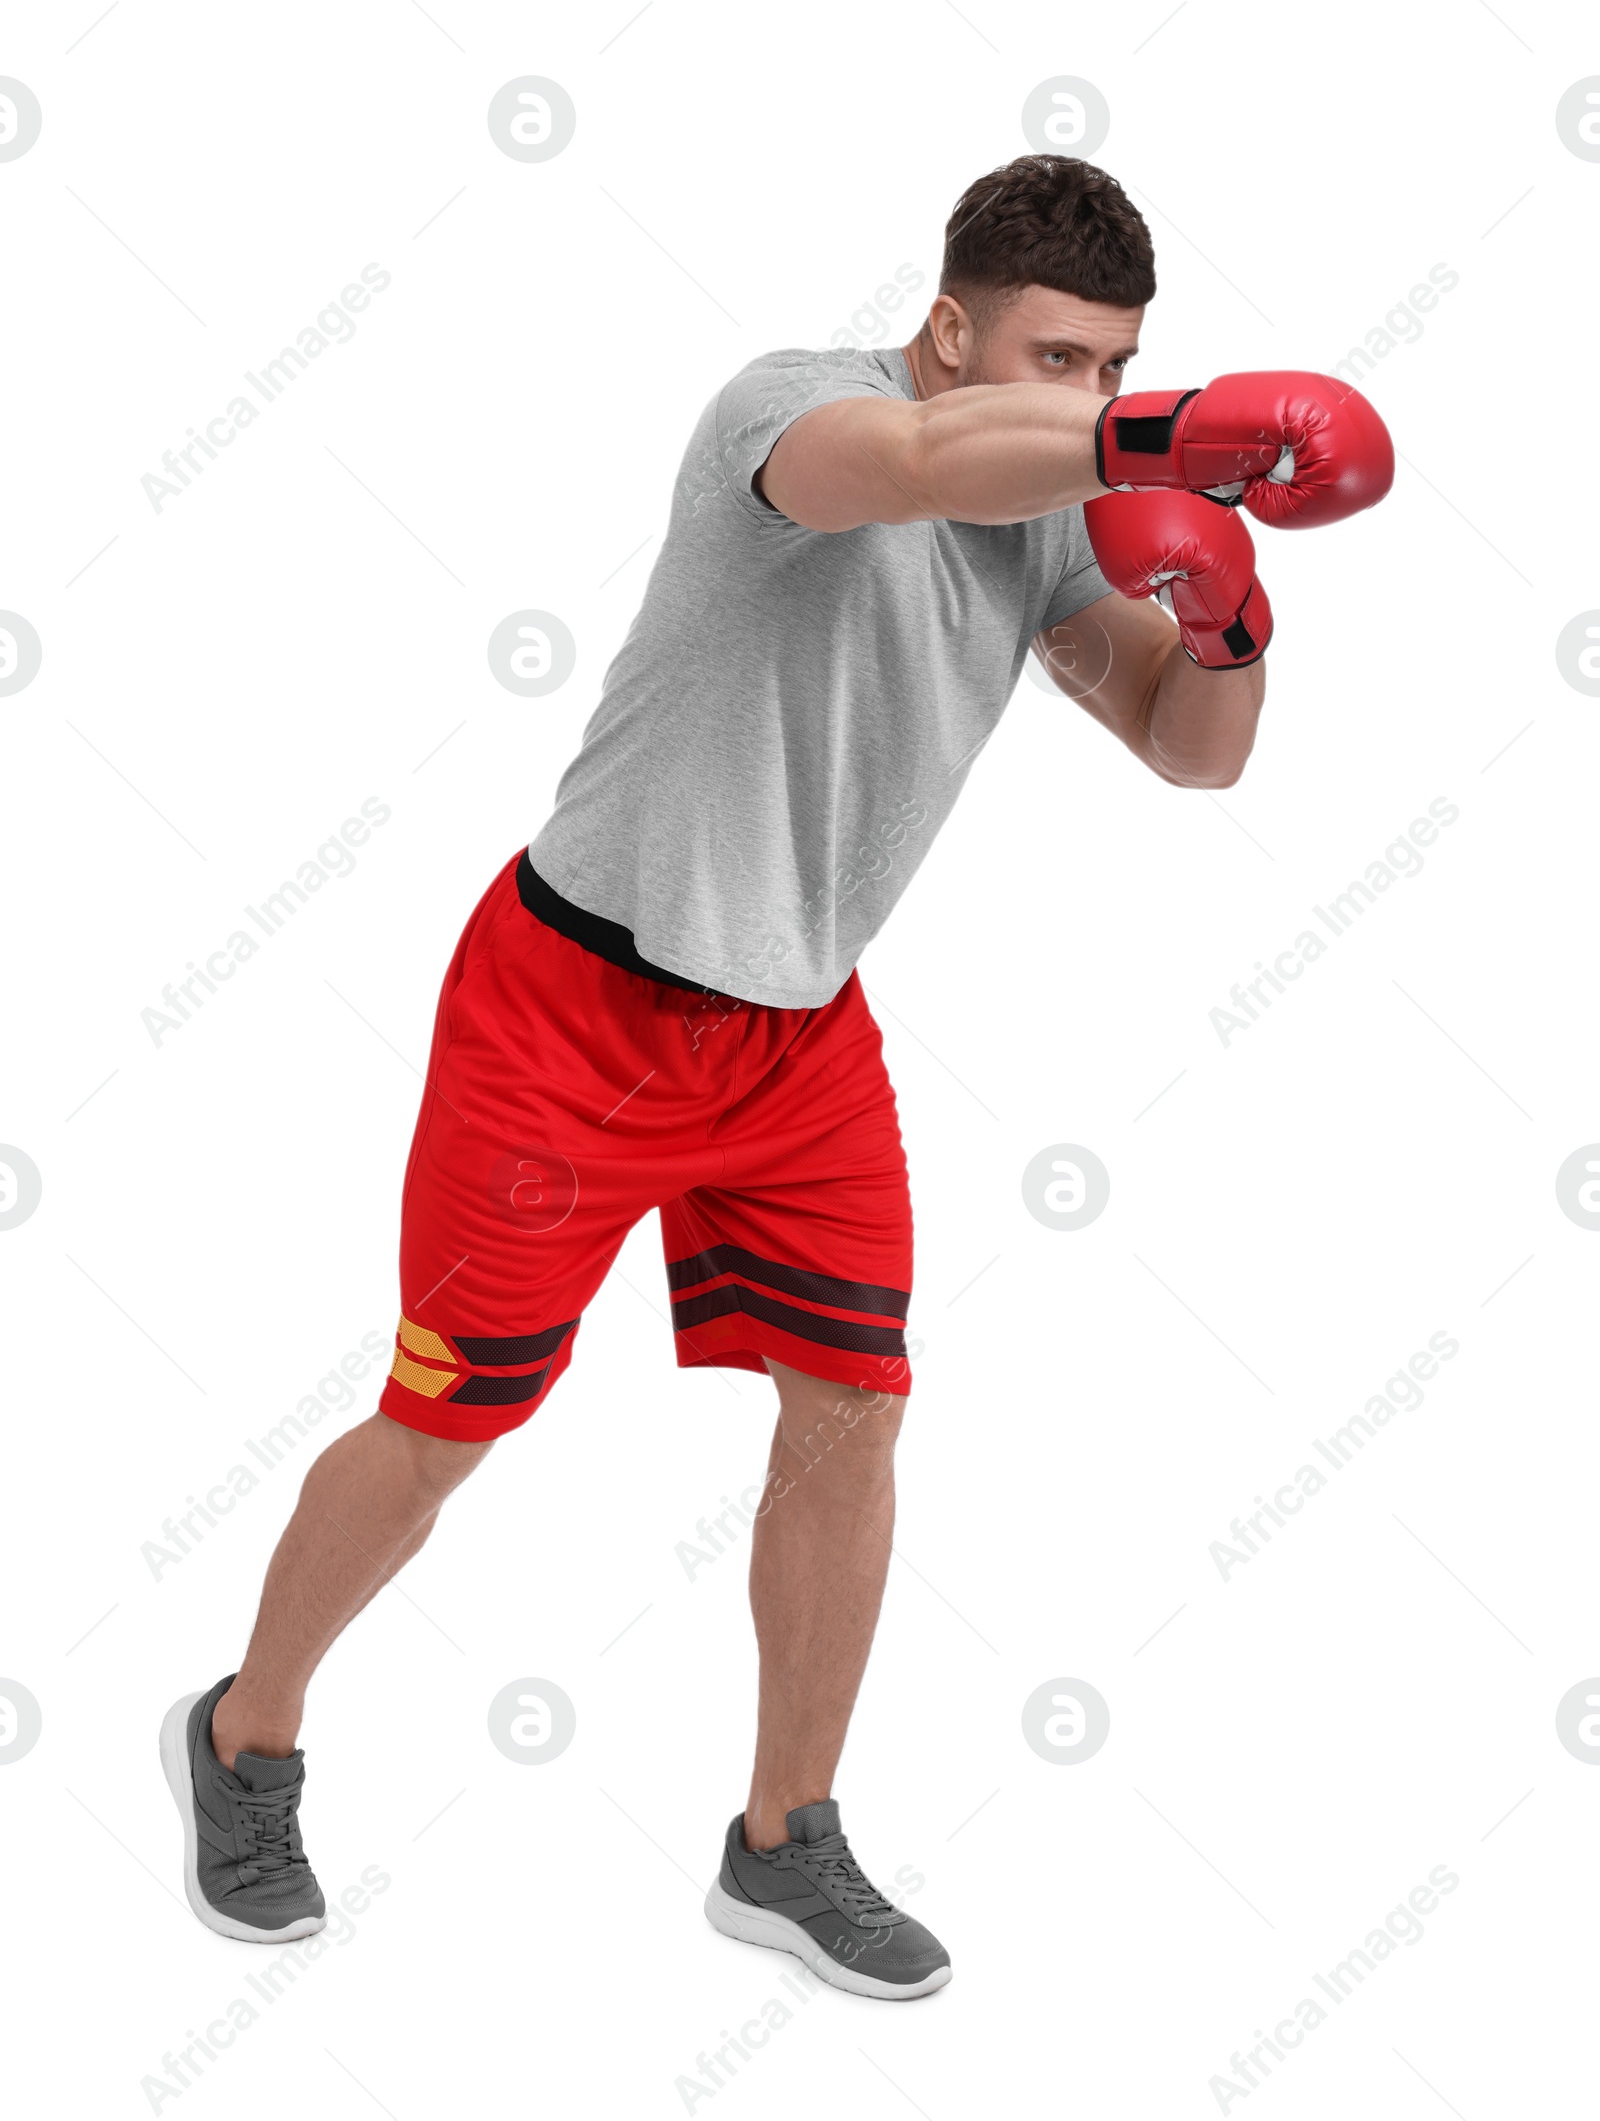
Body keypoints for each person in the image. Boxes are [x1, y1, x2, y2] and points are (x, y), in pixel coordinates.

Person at [161, 153, 1392, 1998]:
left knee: (853, 1415)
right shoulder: (795, 410)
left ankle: (783, 1841)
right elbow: (907, 472)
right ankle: (246, 1738)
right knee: (449, 1425)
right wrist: (1163, 433)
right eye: (1052, 357)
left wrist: (1229, 622)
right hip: (570, 1013)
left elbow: (1186, 748)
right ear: (947, 320)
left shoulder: (1067, 507)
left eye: (1115, 364)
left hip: (798, 1042)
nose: (1082, 398)